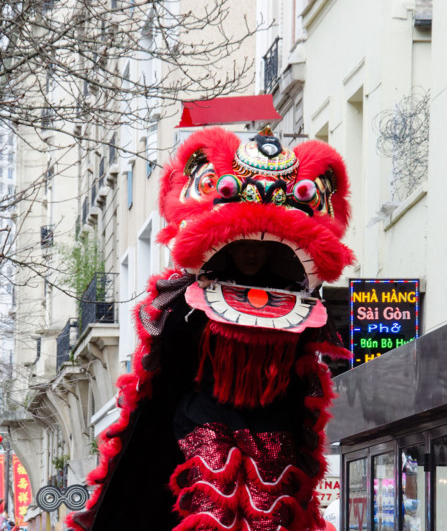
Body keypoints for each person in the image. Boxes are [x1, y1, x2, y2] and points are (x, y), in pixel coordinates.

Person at [67, 127, 353, 531]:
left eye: (260, 243)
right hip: (205, 416)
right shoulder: (185, 298)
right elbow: (165, 367)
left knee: (270, 511)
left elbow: (305, 374)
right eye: (244, 241)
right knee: (208, 506)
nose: (251, 251)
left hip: (271, 421)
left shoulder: (301, 306)